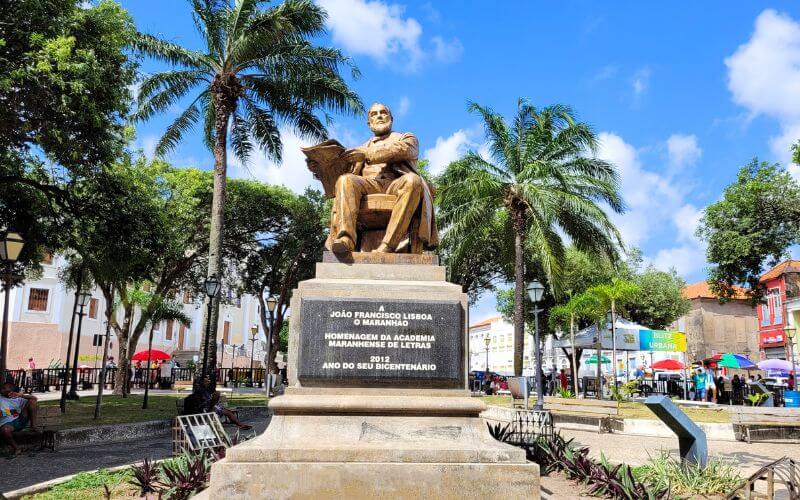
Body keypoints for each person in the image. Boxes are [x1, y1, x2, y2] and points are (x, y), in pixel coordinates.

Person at [312, 103, 438, 254]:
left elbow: (404, 150)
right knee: (345, 180)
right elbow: (340, 180)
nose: (379, 116)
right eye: (374, 114)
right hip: (368, 186)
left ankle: (388, 245)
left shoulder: (406, 138)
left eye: (383, 112)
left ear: (391, 118)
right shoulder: (360, 149)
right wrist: (322, 169)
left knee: (413, 180)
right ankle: (346, 240)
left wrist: (367, 154)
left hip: (395, 184)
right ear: (369, 123)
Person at [0, 383, 39, 457]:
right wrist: (13, 411)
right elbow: (1, 414)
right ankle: (17, 449)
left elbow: (35, 399)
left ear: (10, 391)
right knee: (5, 430)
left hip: (20, 419)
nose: (1, 389)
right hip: (7, 424)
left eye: (4, 388)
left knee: (32, 402)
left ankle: (33, 426)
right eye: (2, 388)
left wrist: (21, 395)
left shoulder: (17, 398)